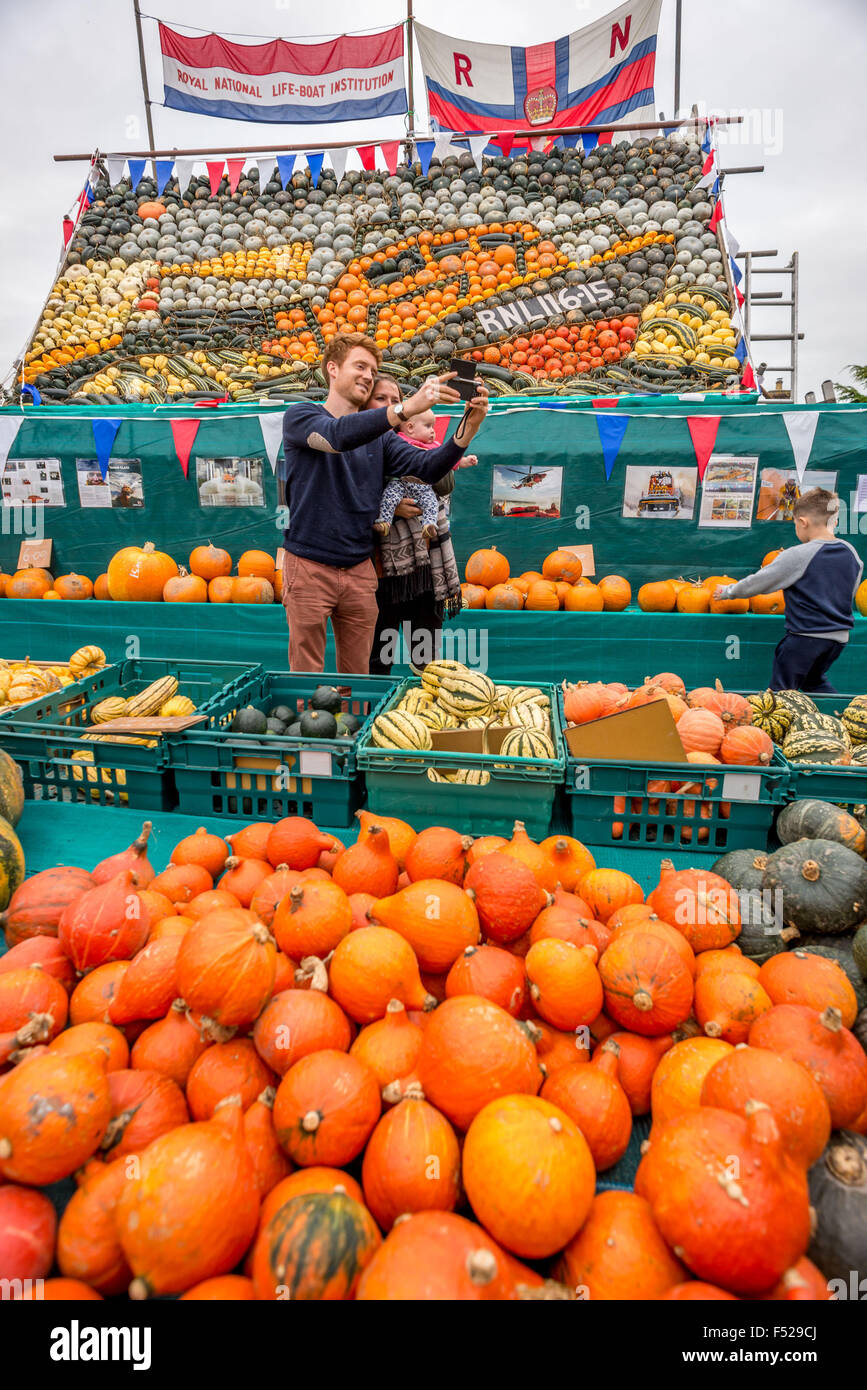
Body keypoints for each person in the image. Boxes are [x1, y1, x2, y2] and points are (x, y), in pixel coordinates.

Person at [279, 332, 488, 673]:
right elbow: (336, 438)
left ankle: (356, 724)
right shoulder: (301, 416)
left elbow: (428, 467)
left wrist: (469, 427)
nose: (368, 375)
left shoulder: (382, 439)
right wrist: (406, 407)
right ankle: (310, 724)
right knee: (306, 672)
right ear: (332, 368)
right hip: (310, 565)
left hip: (360, 568)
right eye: (359, 366)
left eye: (373, 370)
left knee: (360, 675)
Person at [365, 377, 478, 674]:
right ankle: (373, 707)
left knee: (426, 654)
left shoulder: (414, 447)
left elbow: (442, 482)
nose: (389, 406)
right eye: (380, 399)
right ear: (364, 403)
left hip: (427, 564)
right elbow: (345, 499)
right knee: (377, 654)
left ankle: (423, 708)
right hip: (382, 570)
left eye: (395, 400)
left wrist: (434, 451)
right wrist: (386, 504)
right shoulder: (357, 446)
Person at [713, 488, 863, 692]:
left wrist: (728, 592)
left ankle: (775, 721)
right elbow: (850, 591)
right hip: (838, 640)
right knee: (814, 682)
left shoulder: (799, 555)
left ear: (803, 522)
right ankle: (838, 717)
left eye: (795, 524)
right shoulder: (852, 553)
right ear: (834, 521)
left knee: (781, 691)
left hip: (805, 638)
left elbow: (761, 581)